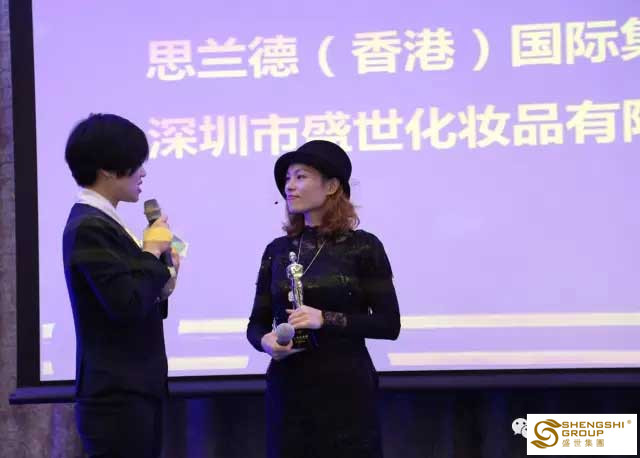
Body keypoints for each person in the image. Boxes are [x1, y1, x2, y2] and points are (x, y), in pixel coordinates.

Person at [247, 140, 401, 458]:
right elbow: (256, 323)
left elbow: (389, 324)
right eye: (287, 178)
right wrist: (266, 342)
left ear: (331, 186)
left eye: (300, 177)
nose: (289, 186)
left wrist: (325, 318)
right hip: (288, 389)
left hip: (346, 390)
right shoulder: (277, 250)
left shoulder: (363, 247)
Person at [62, 113, 179, 458]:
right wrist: (150, 252)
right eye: (136, 163)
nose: (143, 173)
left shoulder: (105, 222)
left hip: (133, 392)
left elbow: (131, 297)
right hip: (116, 398)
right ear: (107, 170)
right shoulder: (89, 226)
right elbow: (125, 305)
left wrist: (163, 281)